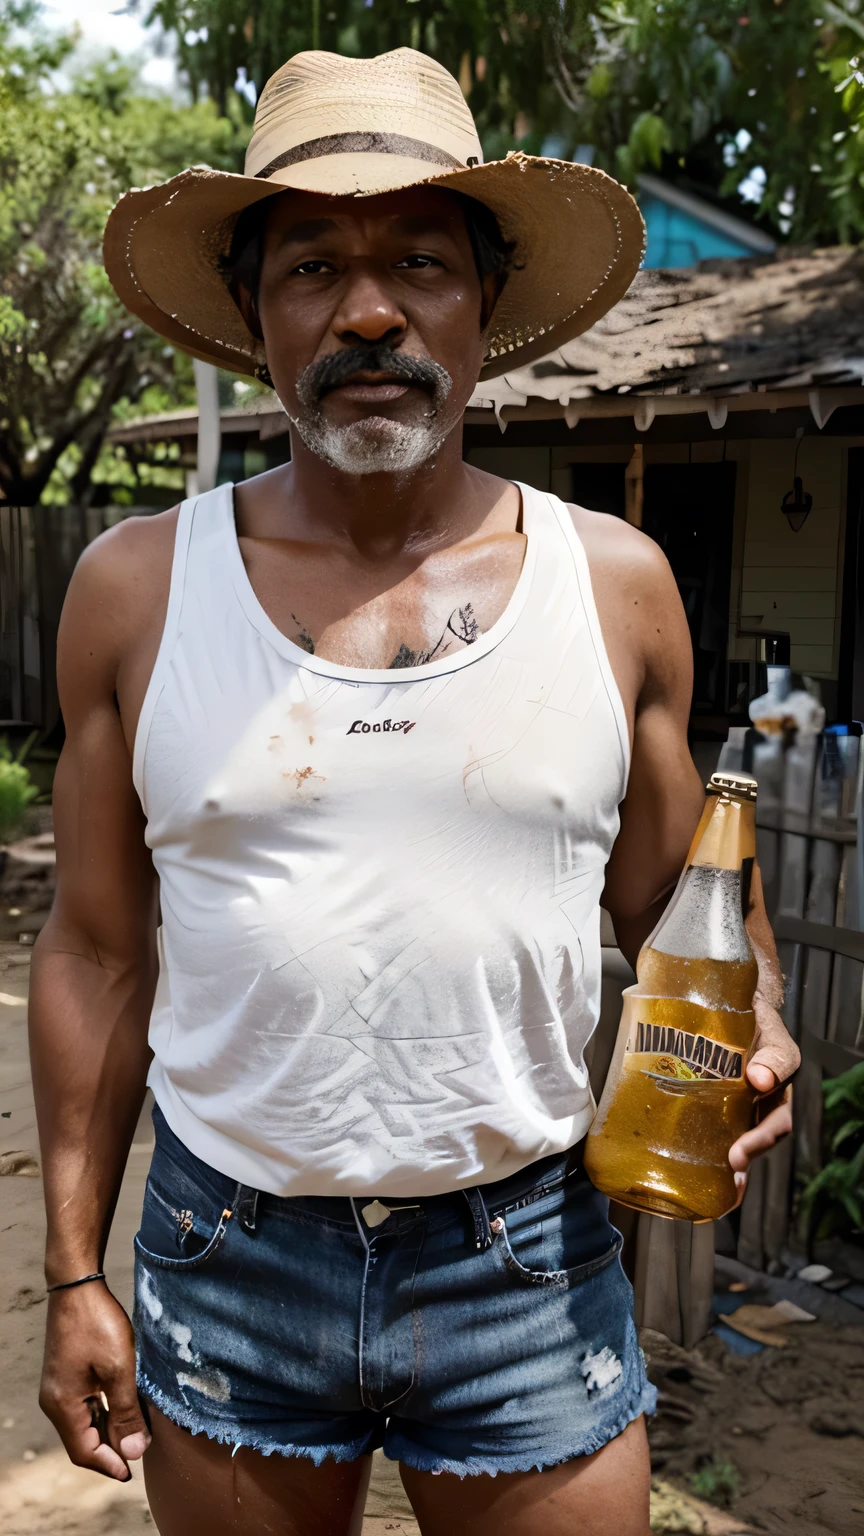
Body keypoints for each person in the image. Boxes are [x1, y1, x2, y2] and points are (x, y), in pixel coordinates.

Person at [30, 47, 799, 1536]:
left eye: (420, 262)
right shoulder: (135, 593)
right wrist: (73, 1274)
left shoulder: (616, 587)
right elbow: (96, 947)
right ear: (255, 315)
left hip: (525, 1252)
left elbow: (680, 897)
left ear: (486, 310)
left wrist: (753, 1006)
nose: (368, 309)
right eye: (314, 262)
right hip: (229, 1243)